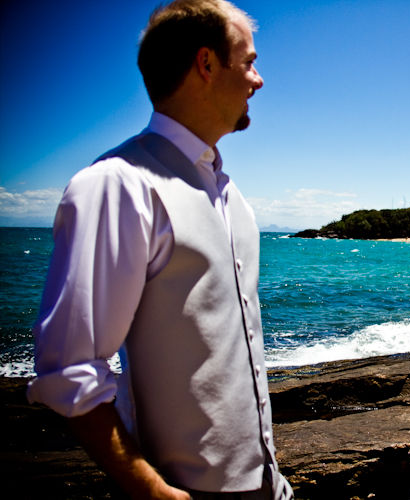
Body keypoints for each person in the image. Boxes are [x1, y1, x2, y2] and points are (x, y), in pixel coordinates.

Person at [26, 1, 294, 498]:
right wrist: (147, 489)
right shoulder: (118, 185)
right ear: (207, 64)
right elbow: (68, 369)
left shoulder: (231, 196)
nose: (258, 80)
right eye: (249, 62)